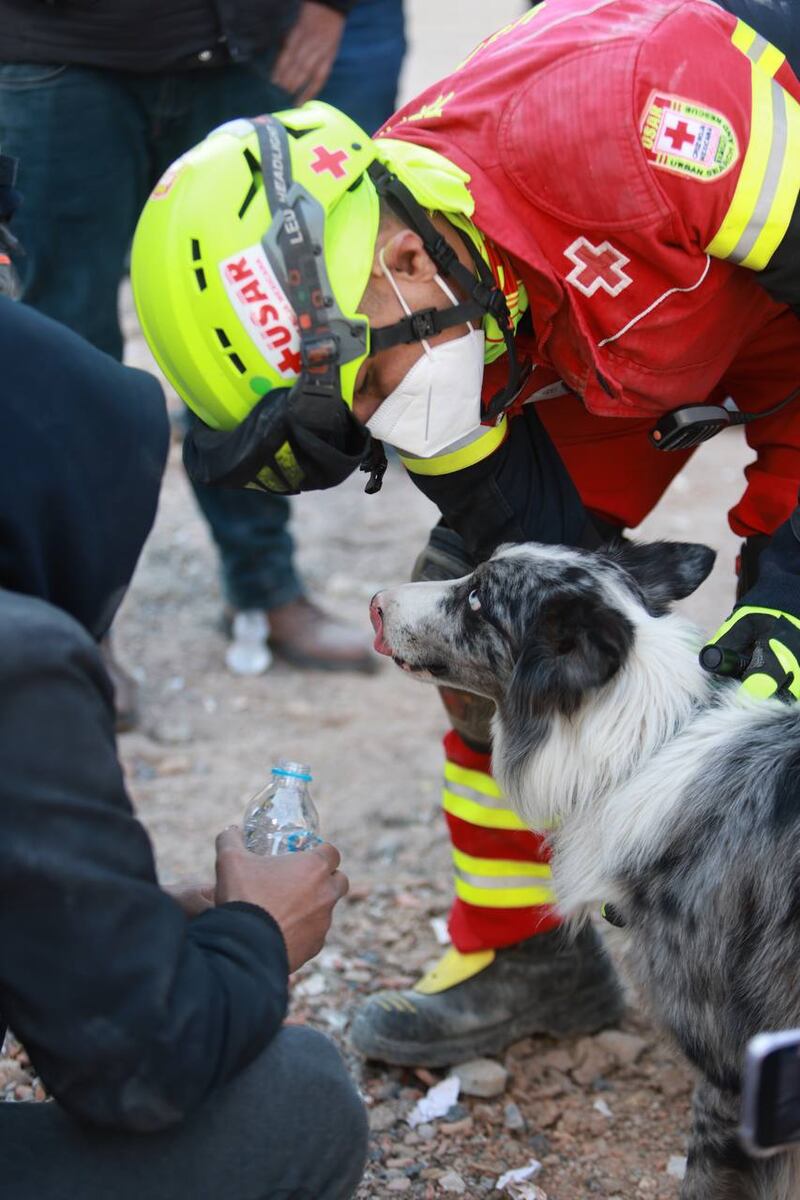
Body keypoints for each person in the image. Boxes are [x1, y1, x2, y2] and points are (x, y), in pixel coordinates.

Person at [130, 0, 800, 1068]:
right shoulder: (410, 321)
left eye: (371, 393)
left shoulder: (639, 118)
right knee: (482, 619)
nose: (394, 429)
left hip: (738, 269)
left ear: (399, 258)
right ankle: (531, 952)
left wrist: (787, 597)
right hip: (610, 330)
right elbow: (546, 572)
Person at [0, 294, 366, 1199]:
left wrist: (107, 924)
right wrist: (258, 935)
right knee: (301, 1103)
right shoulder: (21, 665)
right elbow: (142, 1071)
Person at [0, 0, 404, 719]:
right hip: (55, 54)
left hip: (236, 46)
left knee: (263, 339)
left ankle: (265, 585)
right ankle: (72, 630)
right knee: (63, 361)